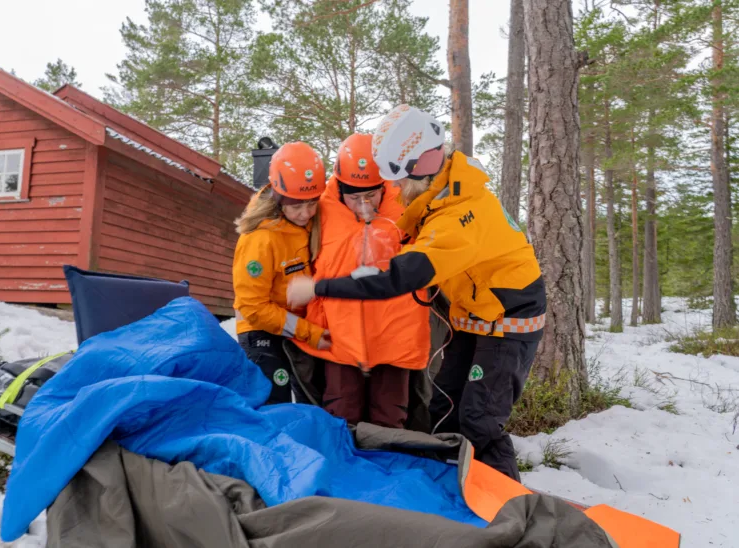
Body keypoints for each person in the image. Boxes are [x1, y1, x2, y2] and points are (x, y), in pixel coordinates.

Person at [287, 105, 547, 480]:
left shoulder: (459, 216)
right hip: (475, 315)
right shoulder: (444, 189)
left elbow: (400, 277)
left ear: (418, 169)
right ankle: (452, 490)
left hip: (505, 321)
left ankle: (506, 510)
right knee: (443, 406)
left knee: (479, 422)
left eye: (397, 181)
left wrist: (319, 286)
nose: (392, 191)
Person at [293, 133, 431, 429]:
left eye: (371, 195)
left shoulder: (408, 207)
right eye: (354, 197)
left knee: (391, 420)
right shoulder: (318, 210)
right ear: (340, 187)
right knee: (340, 417)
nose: (364, 204)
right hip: (339, 337)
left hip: (396, 336)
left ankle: (389, 475)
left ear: (383, 185)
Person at [232, 141, 331, 405]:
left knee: (312, 404)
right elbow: (253, 307)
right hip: (262, 333)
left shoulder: (313, 222)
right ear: (278, 199)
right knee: (274, 407)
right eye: (297, 206)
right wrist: (308, 331)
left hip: (299, 332)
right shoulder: (261, 239)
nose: (305, 213)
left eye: (312, 204)